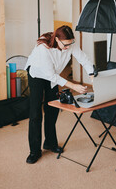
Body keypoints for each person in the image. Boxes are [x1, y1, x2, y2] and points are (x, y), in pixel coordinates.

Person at [25, 25, 94, 164]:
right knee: (35, 113)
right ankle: (34, 151)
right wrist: (73, 85)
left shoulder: (69, 44)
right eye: (66, 44)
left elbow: (84, 59)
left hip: (53, 75)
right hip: (37, 75)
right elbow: (51, 76)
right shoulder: (43, 50)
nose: (68, 47)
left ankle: (50, 143)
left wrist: (92, 74)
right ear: (57, 39)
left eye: (70, 43)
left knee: (53, 108)